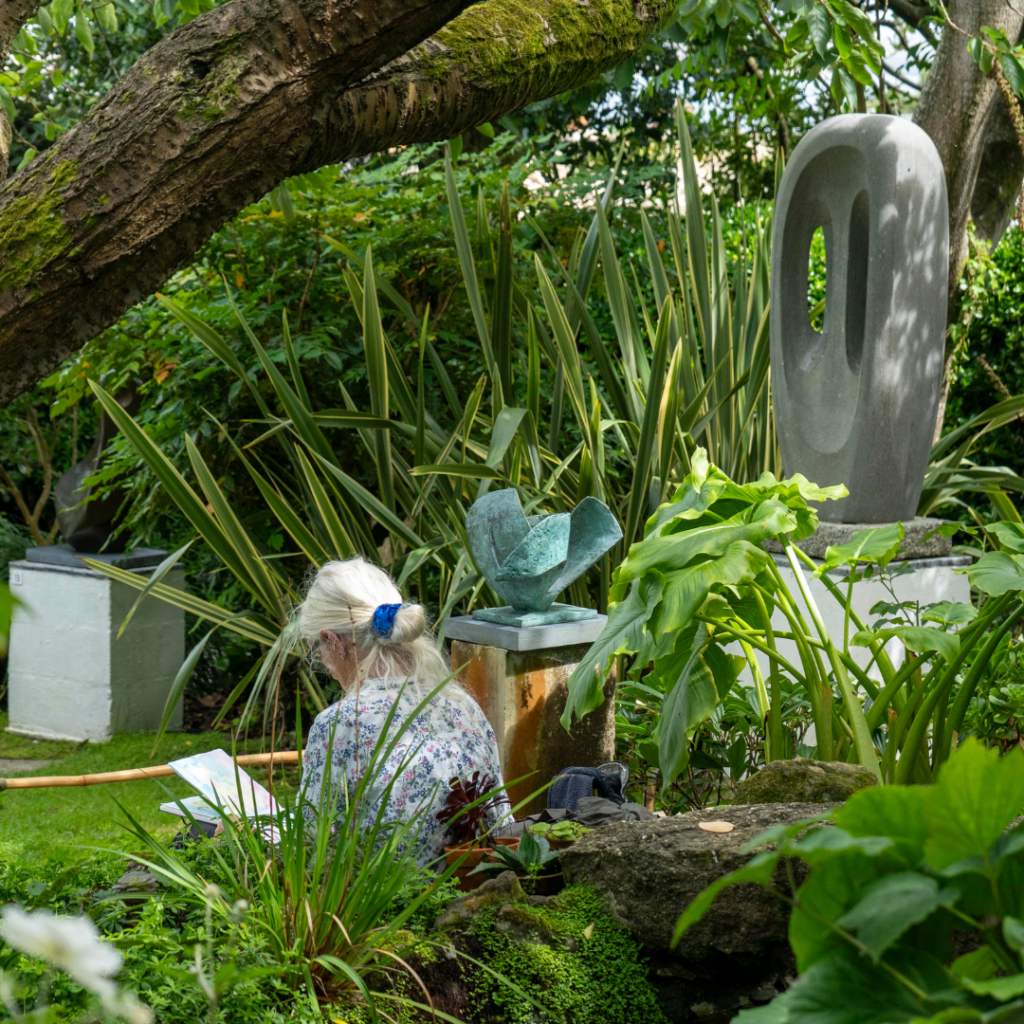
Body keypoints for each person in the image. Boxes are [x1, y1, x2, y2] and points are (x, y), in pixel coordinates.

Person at [296, 557, 509, 867]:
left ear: (334, 641)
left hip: (391, 906)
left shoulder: (340, 724)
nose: (324, 663)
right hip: (482, 885)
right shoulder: (462, 704)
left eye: (318, 646)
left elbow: (309, 841)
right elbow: (501, 818)